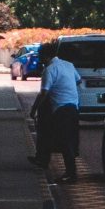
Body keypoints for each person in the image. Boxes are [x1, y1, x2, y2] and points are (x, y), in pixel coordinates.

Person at [32, 46, 82, 182]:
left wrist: (34, 109)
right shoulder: (68, 65)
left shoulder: (49, 70)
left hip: (61, 108)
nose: (40, 58)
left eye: (41, 55)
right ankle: (64, 169)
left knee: (64, 141)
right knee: (69, 139)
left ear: (46, 56)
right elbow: (79, 80)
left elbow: (44, 93)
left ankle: (71, 174)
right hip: (73, 107)